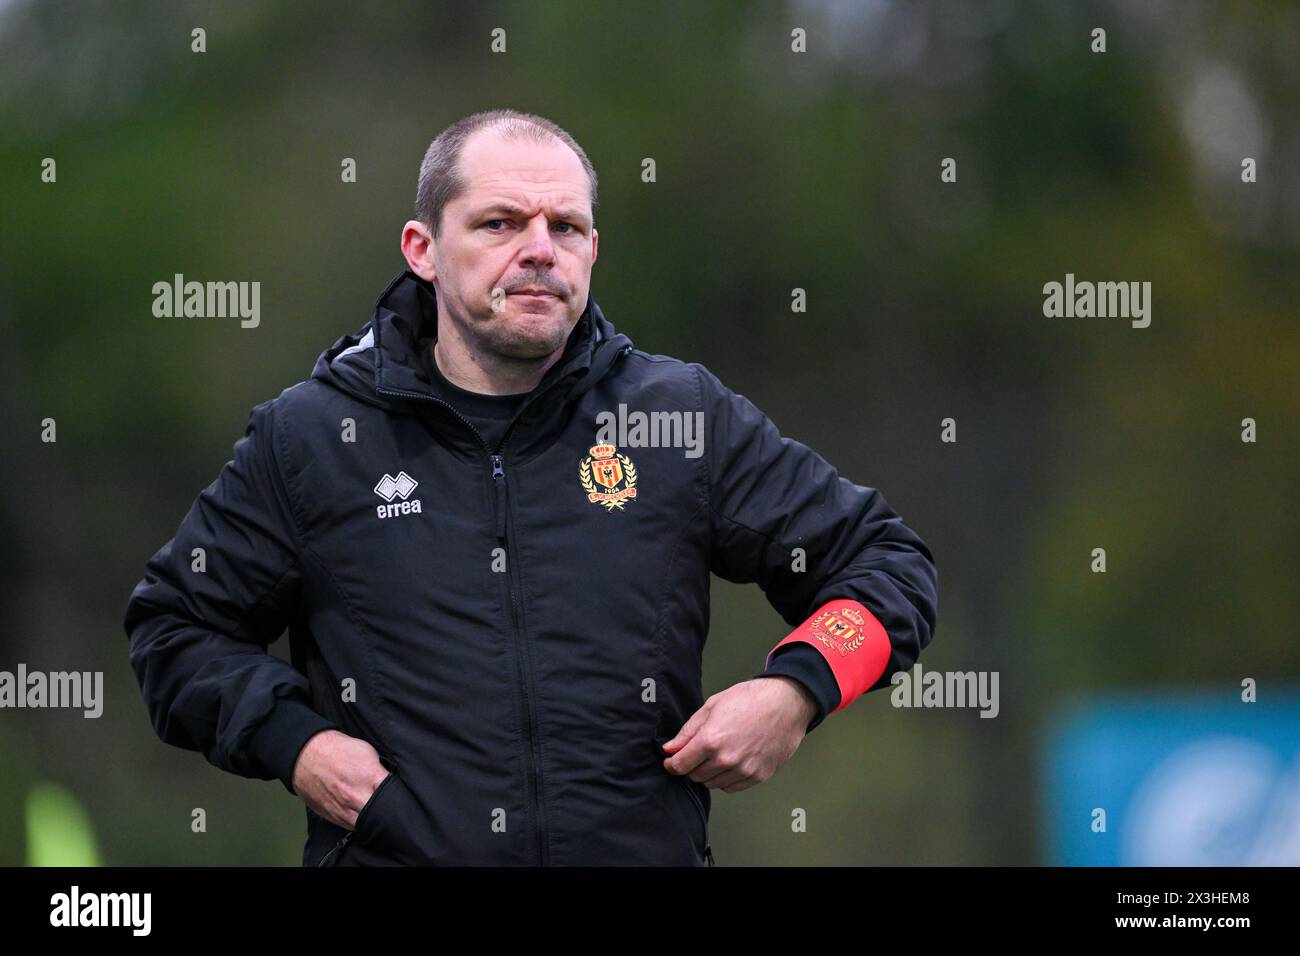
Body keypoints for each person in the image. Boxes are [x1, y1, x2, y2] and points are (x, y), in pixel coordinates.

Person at [123, 108, 938, 866]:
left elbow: (889, 567)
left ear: (592, 251)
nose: (540, 248)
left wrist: (797, 688)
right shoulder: (310, 438)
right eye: (501, 223)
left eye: (566, 227)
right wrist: (295, 744)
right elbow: (175, 629)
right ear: (423, 248)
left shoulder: (680, 416)